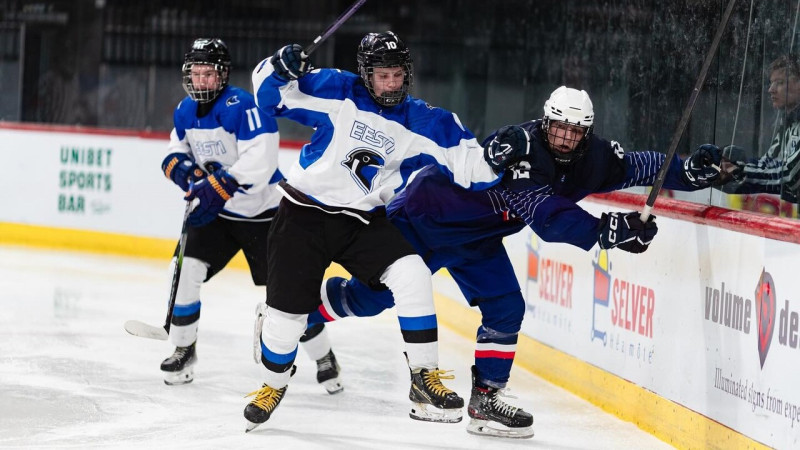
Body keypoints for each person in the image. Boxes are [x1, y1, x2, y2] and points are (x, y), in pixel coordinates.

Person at [298, 86, 731, 438]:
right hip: (427, 217)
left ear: (586, 132)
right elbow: (544, 216)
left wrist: (686, 173)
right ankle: (301, 314)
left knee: (507, 308)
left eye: (574, 132)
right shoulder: (521, 148)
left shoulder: (593, 156)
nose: (564, 139)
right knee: (372, 299)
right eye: (558, 128)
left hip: (479, 237)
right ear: (545, 122)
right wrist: (607, 231)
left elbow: (638, 165)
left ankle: (486, 399)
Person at [244, 31, 520, 432]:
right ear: (366, 74)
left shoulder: (423, 119)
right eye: (382, 75)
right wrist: (278, 66)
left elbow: (473, 167)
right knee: (287, 319)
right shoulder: (338, 89)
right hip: (303, 214)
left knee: (411, 271)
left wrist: (499, 155)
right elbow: (268, 96)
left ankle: (423, 378)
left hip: (361, 220)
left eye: (396, 75)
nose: (390, 83)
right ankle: (272, 385)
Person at [158, 37, 283, 385]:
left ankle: (323, 355)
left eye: (209, 73)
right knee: (185, 271)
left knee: (287, 289)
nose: (202, 81)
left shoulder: (242, 106)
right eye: (196, 73)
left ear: (223, 74)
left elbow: (261, 161)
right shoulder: (185, 111)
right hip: (218, 214)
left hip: (263, 212)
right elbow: (173, 153)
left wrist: (216, 186)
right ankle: (183, 351)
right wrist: (188, 172)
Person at [718, 53, 800, 208]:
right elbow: (768, 163)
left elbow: (791, 177)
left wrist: (740, 172)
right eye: (771, 83)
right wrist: (735, 165)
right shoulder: (789, 121)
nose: (771, 90)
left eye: (780, 83)